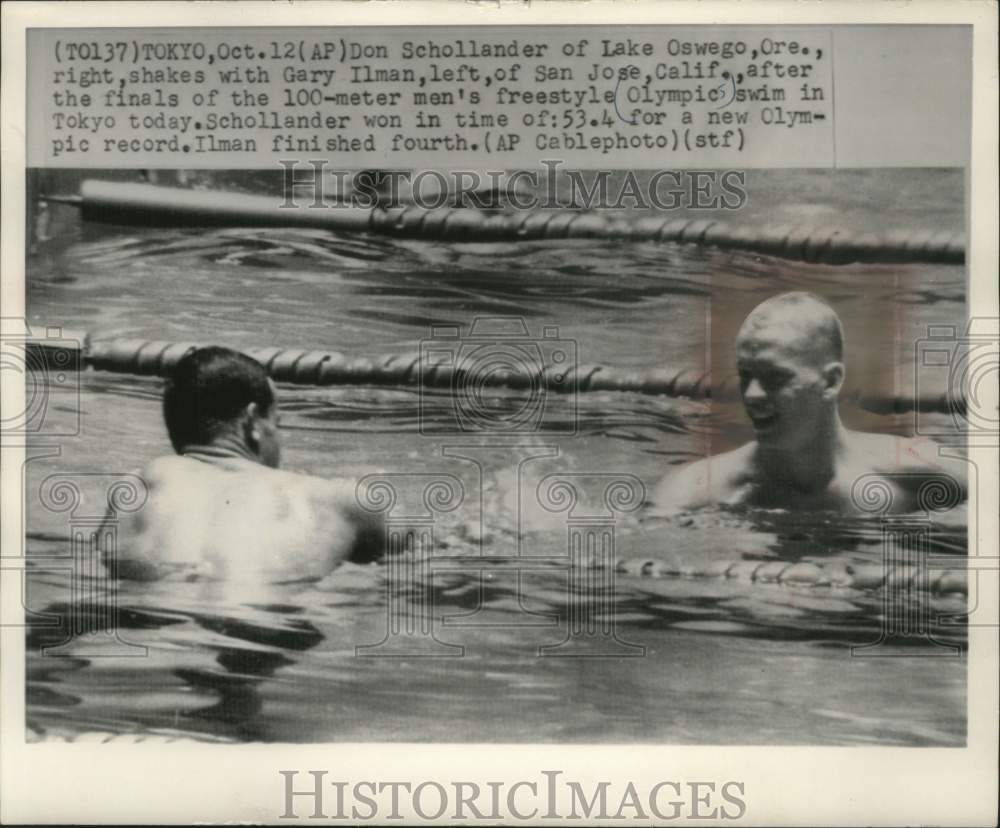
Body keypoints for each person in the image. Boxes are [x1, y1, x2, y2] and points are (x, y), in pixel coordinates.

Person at [651, 292, 967, 514]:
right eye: (746, 376)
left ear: (831, 381)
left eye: (776, 378)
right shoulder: (693, 492)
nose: (752, 394)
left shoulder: (919, 475)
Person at [106, 347, 384, 582]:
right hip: (256, 630)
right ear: (252, 421)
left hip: (146, 627)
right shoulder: (340, 499)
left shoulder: (136, 486)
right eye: (278, 423)